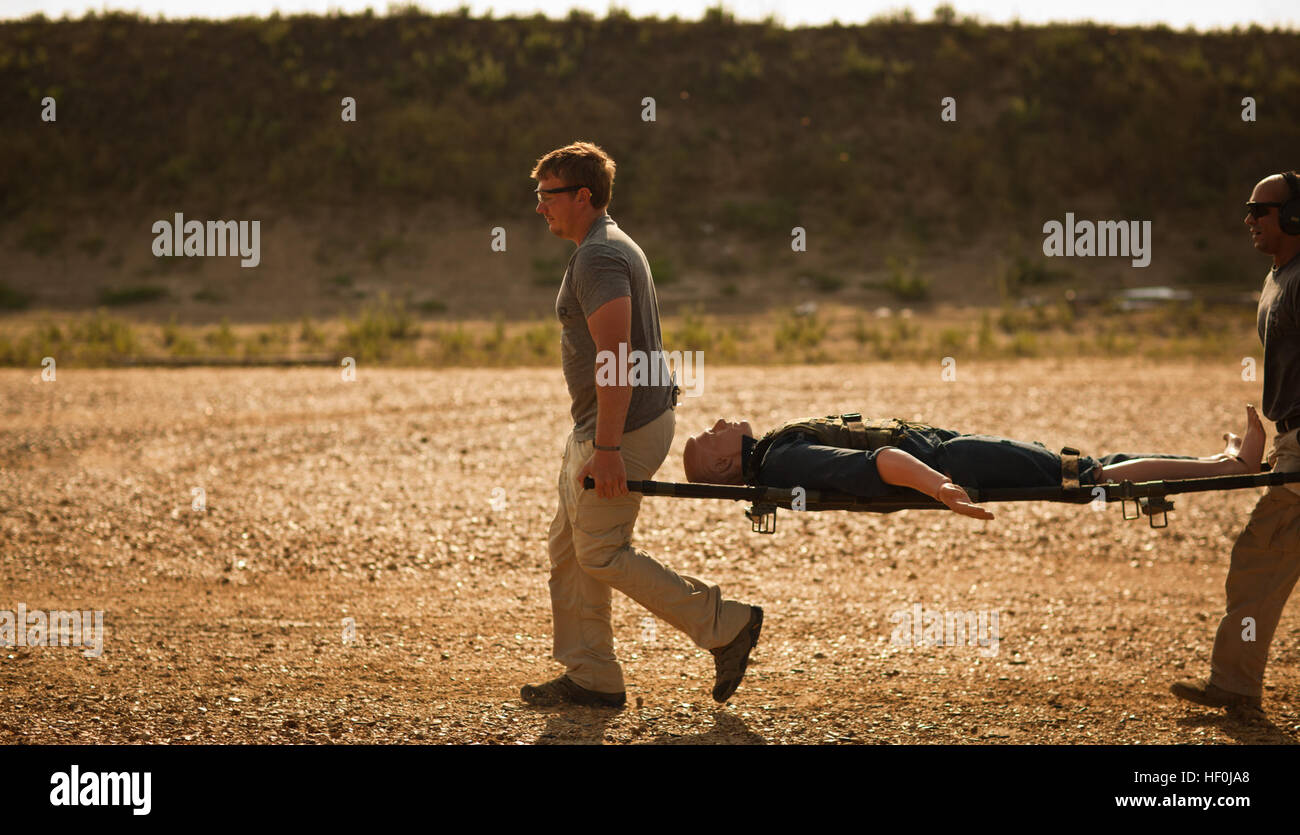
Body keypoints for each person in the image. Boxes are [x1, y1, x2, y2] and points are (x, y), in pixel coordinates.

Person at [520, 141, 762, 710]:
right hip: (602, 427)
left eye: (546, 196)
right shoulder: (605, 246)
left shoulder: (600, 256)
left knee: (601, 551)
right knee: (569, 548)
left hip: (619, 431)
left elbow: (618, 357)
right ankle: (593, 676)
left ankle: (725, 624)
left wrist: (605, 447)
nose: (539, 208)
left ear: (582, 196)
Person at [1171, 171, 1300, 718]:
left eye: (1260, 209)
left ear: (1294, 216)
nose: (1249, 219)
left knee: (1259, 555)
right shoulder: (1280, 277)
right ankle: (1236, 685)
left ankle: (1235, 686)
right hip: (1292, 441)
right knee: (1264, 558)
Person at [682, 408, 1266, 522]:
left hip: (951, 452)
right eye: (710, 437)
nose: (718, 425)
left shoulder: (776, 457)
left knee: (1090, 470)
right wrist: (942, 487)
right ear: (724, 464)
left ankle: (1221, 461)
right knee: (1088, 476)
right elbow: (882, 460)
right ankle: (1233, 465)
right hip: (953, 460)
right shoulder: (785, 457)